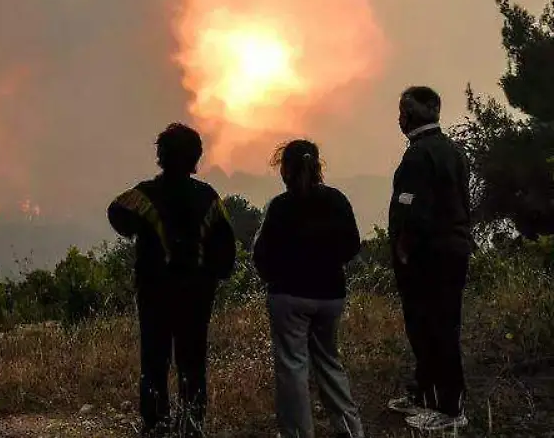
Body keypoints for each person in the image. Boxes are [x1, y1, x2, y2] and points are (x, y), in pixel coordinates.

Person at [107, 122, 237, 437]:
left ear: (161, 157)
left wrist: (141, 233)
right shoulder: (208, 198)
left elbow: (116, 212)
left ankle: (155, 424)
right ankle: (192, 424)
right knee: (192, 360)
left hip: (155, 294)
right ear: (196, 159)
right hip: (196, 296)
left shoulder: (144, 195)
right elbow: (226, 255)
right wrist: (210, 274)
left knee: (154, 360)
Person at [252, 139, 365, 438]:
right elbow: (352, 245)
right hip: (330, 295)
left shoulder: (280, 207)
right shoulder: (337, 200)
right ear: (317, 166)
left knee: (292, 369)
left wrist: (274, 278)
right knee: (330, 363)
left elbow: (261, 255)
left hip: (288, 297)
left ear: (285, 170)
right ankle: (350, 430)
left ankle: (298, 433)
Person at [387, 85, 473, 432]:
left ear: (408, 115)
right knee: (440, 325)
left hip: (429, 257)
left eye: (402, 110)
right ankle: (424, 393)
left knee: (431, 327)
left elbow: (412, 209)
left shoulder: (418, 156)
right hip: (454, 250)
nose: (399, 117)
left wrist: (404, 247)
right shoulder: (454, 151)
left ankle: (449, 408)